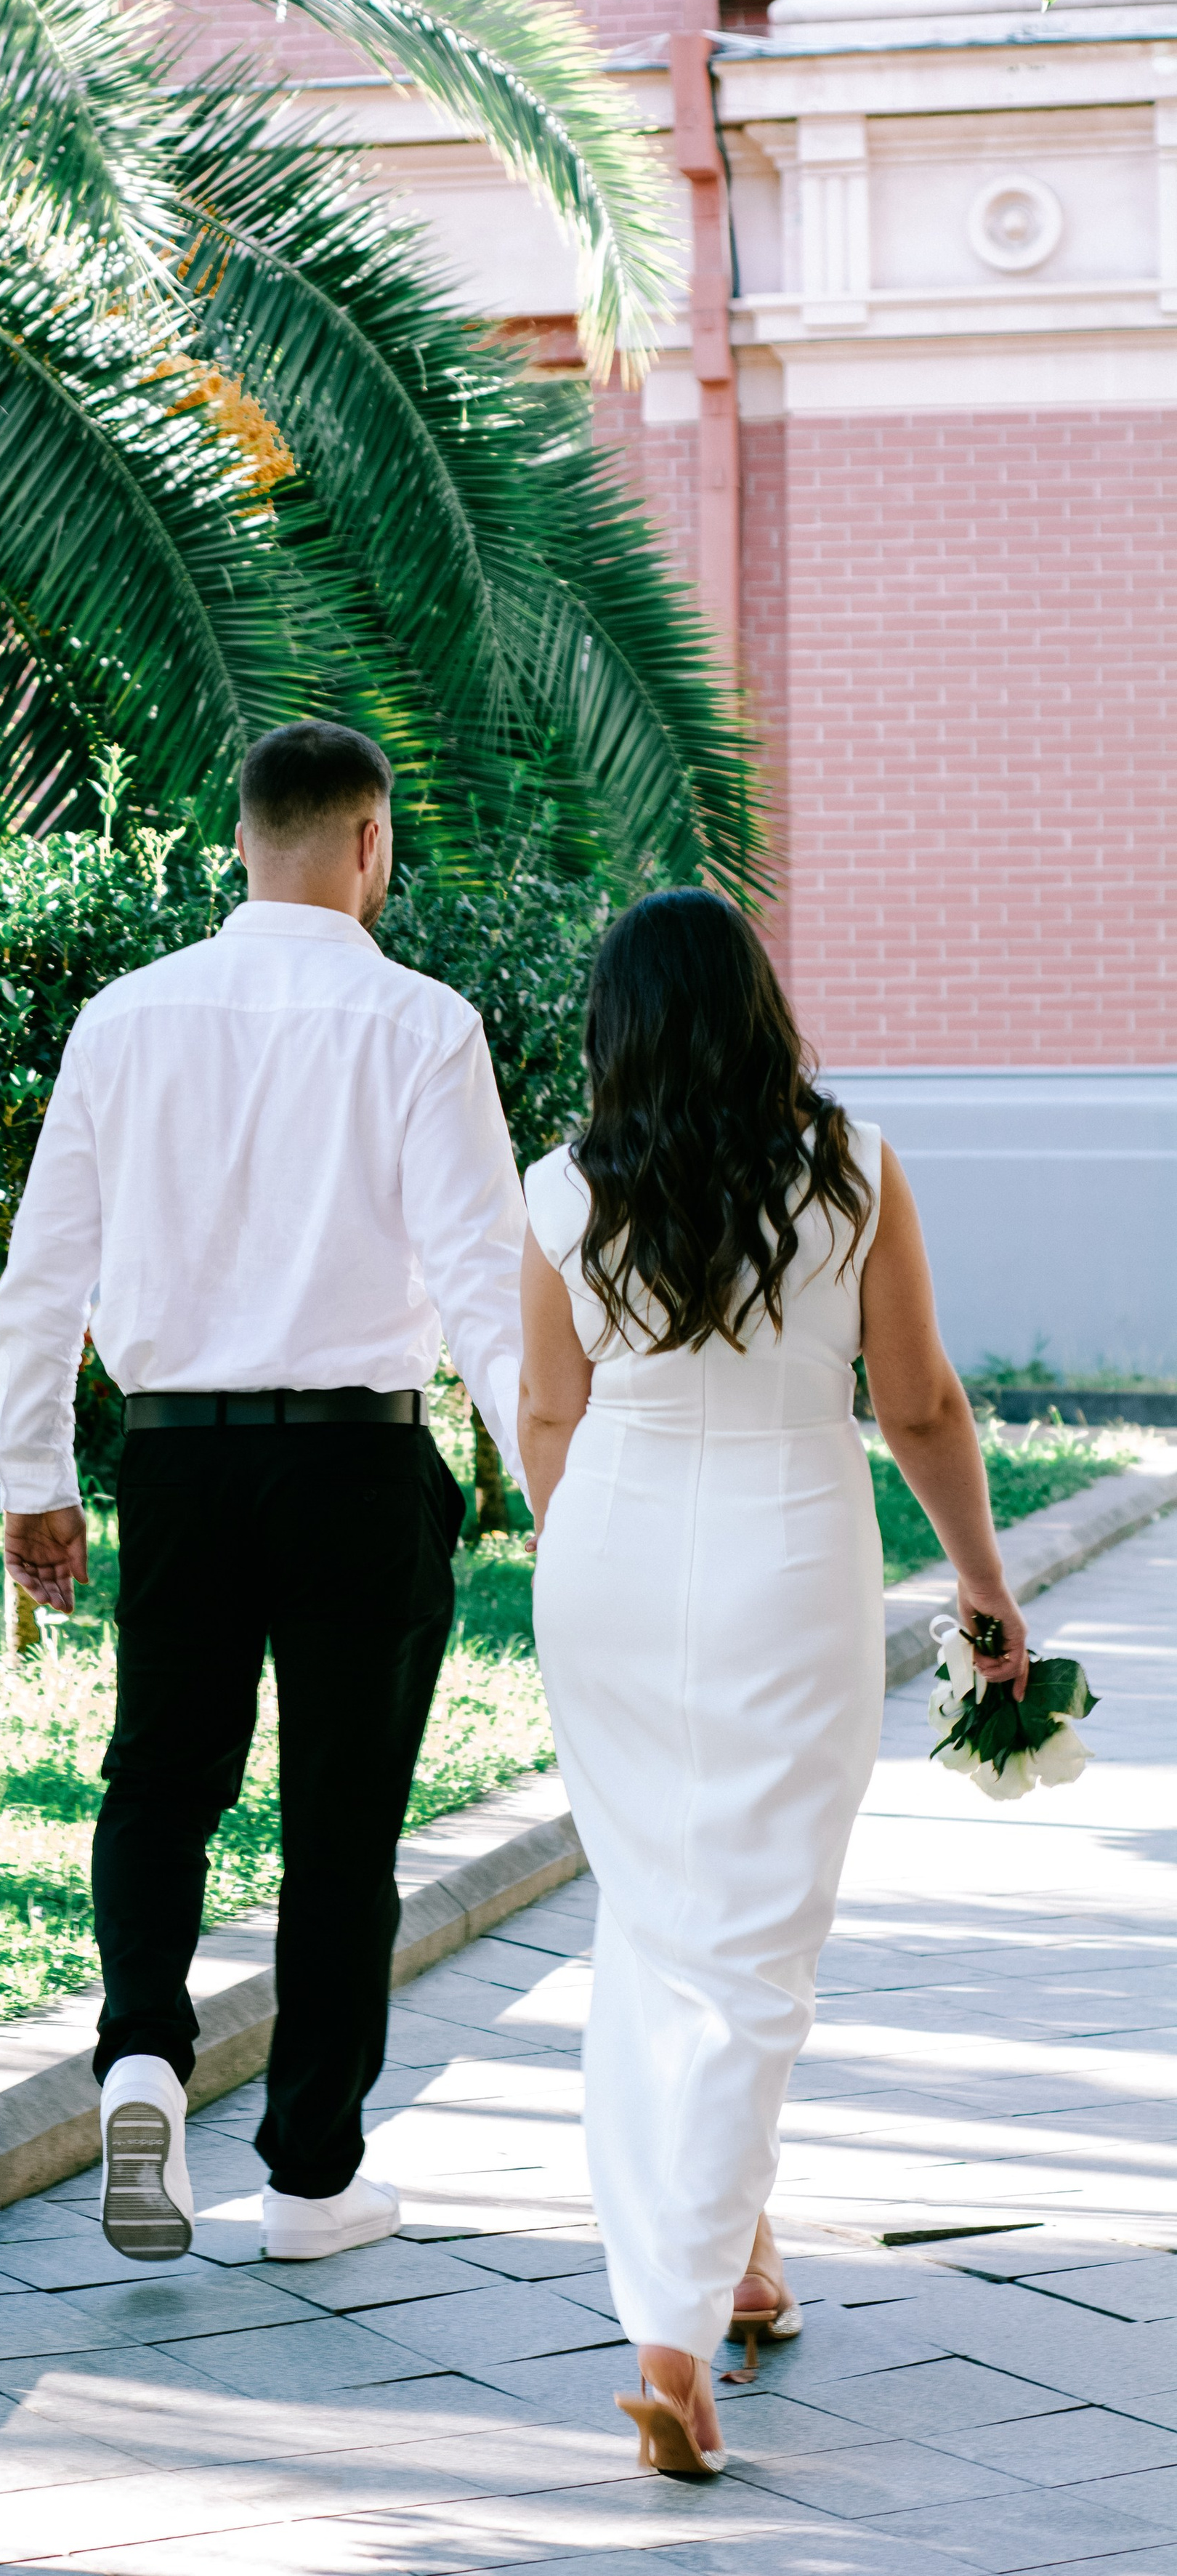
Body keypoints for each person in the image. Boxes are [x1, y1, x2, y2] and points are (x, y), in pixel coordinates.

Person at [0, 722, 527, 2266]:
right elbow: (483, 1288)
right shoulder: (419, 1024)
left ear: (242, 838)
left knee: (159, 1776)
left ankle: (145, 2055)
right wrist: (562, 1485)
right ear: (369, 844)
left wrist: (36, 1476)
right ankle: (308, 2180)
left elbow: (42, 1280)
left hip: (173, 1457)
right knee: (340, 1821)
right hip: (357, 1459)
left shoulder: (125, 1019)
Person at [518, 889, 1029, 2478]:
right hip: (789, 1550)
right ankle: (671, 2339)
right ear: (756, 1009)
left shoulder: (557, 1188)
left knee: (659, 1917)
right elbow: (922, 1403)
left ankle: (724, 2262)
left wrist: (583, 1567)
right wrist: (983, 1583)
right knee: (750, 1950)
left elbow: (546, 1416)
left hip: (602, 1550)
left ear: (612, 1028)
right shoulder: (849, 1169)